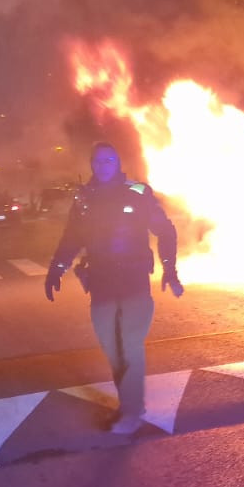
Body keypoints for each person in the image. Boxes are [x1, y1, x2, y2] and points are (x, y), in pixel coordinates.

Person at [45, 142, 183, 435]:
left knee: (130, 346)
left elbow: (165, 231)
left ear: (118, 163)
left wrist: (170, 269)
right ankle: (131, 403)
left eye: (109, 159)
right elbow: (71, 238)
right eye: (97, 160)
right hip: (102, 286)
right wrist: (56, 268)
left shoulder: (138, 192)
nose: (103, 165)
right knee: (113, 349)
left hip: (134, 284)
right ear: (92, 164)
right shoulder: (84, 197)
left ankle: (131, 412)